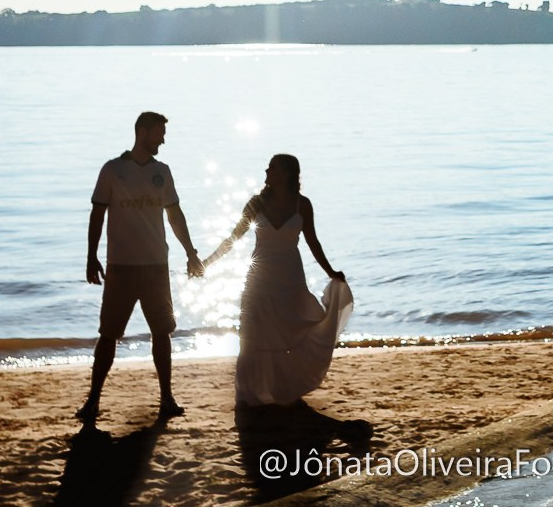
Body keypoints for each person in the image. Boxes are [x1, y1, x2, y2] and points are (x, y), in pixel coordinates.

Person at [80, 110, 204, 422]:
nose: (163, 138)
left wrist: (190, 253)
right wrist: (91, 256)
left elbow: (175, 216)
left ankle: (166, 399)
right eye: (159, 132)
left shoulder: (162, 171)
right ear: (142, 132)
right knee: (108, 335)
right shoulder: (112, 169)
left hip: (155, 267)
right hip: (120, 266)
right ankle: (93, 401)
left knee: (162, 332)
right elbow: (98, 214)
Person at [202, 153, 353, 407]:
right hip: (259, 279)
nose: (266, 171)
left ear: (285, 174)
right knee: (252, 334)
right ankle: (250, 392)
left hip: (290, 279)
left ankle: (283, 388)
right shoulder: (256, 203)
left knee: (288, 333)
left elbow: (312, 242)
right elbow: (232, 239)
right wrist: (206, 262)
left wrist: (331, 272)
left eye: (271, 168)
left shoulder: (302, 204)